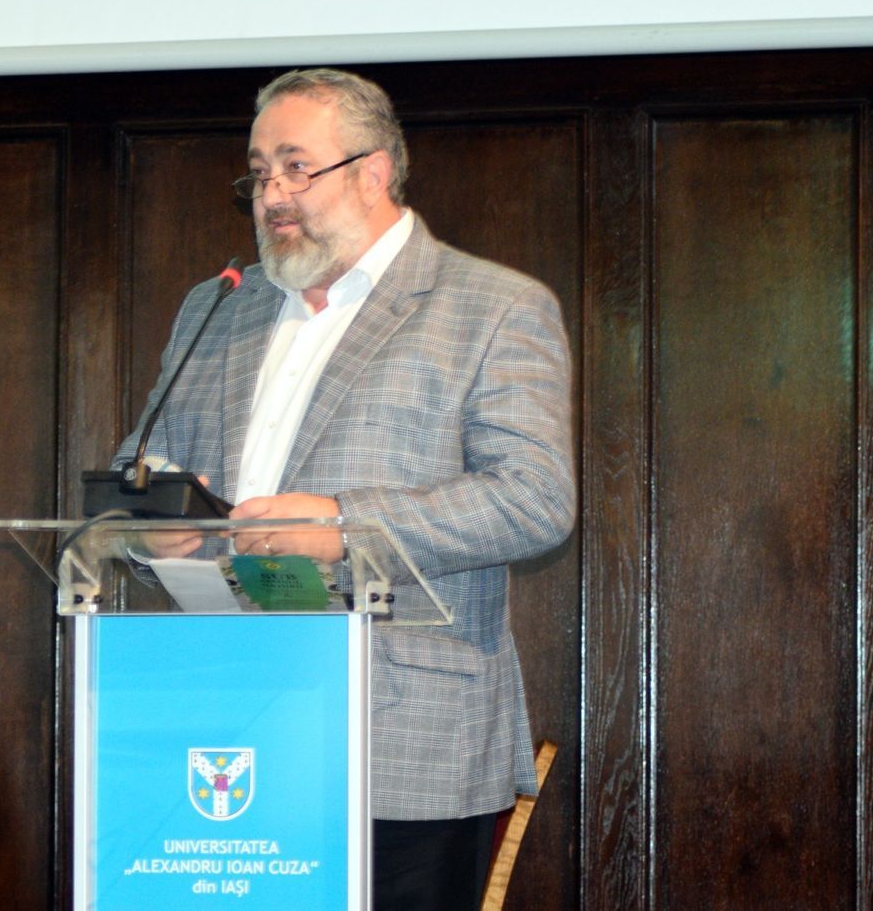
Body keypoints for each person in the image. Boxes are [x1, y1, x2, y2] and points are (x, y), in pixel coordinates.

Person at [114, 67, 575, 909]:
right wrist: (150, 525)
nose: (271, 194)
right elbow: (139, 467)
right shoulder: (216, 306)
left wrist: (343, 526)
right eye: (259, 173)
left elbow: (534, 498)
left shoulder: (492, 307)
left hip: (402, 736)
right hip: (224, 727)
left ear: (373, 172)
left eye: (296, 167)